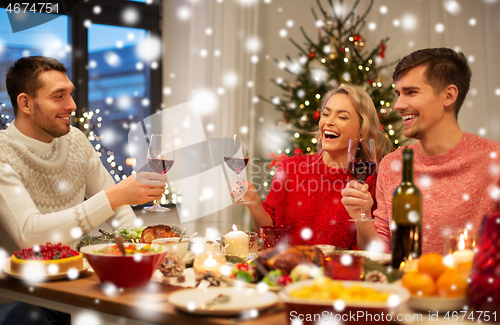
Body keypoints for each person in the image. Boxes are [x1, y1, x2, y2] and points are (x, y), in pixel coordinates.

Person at [341, 48, 500, 254]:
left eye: (411, 92)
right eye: (398, 93)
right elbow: (380, 256)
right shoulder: (392, 165)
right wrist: (361, 216)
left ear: (448, 95)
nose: (398, 105)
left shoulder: (493, 161)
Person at [0, 56, 166, 252]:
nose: (72, 105)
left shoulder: (75, 140)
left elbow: (121, 214)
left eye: (70, 94)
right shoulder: (4, 153)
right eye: (58, 96)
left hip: (77, 272)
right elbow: (30, 236)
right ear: (25, 103)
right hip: (19, 279)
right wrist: (115, 196)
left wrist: (143, 252)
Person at [234, 85, 391, 248]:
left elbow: (370, 253)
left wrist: (362, 217)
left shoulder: (372, 182)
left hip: (338, 272)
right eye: (326, 114)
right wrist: (255, 205)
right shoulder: (290, 168)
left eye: (342, 117)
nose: (329, 122)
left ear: (361, 130)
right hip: (289, 271)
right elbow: (270, 236)